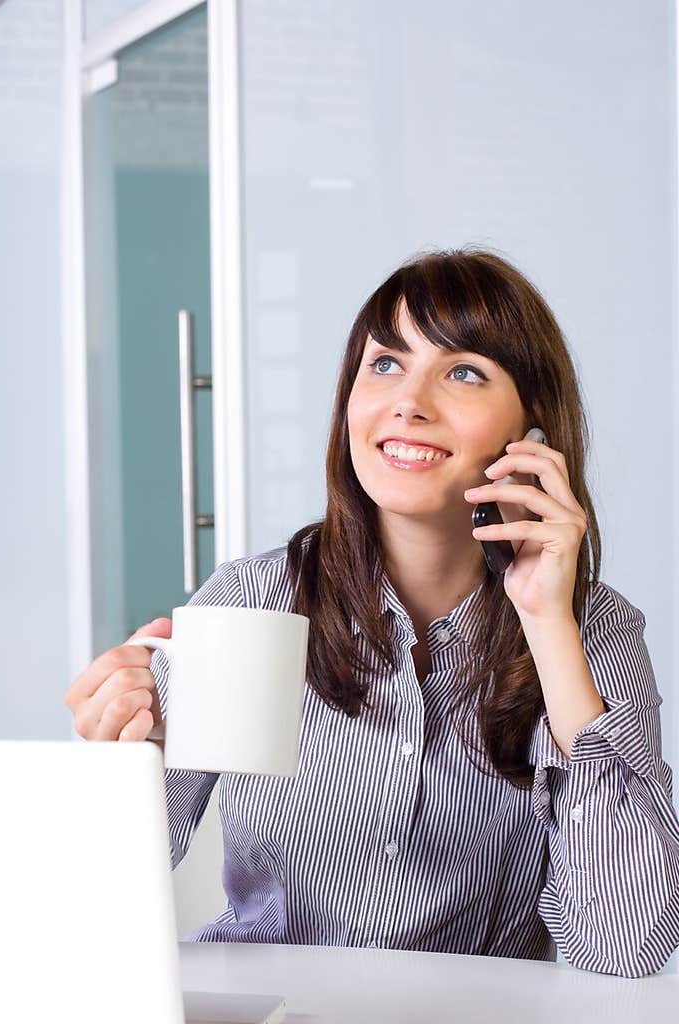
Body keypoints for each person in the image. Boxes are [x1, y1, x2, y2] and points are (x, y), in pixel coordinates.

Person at [66, 247, 679, 977]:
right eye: (385, 364)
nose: (408, 401)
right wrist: (124, 758)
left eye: (463, 372)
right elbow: (91, 908)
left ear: (532, 432)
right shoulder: (253, 601)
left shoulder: (591, 632)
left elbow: (627, 946)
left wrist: (548, 624)